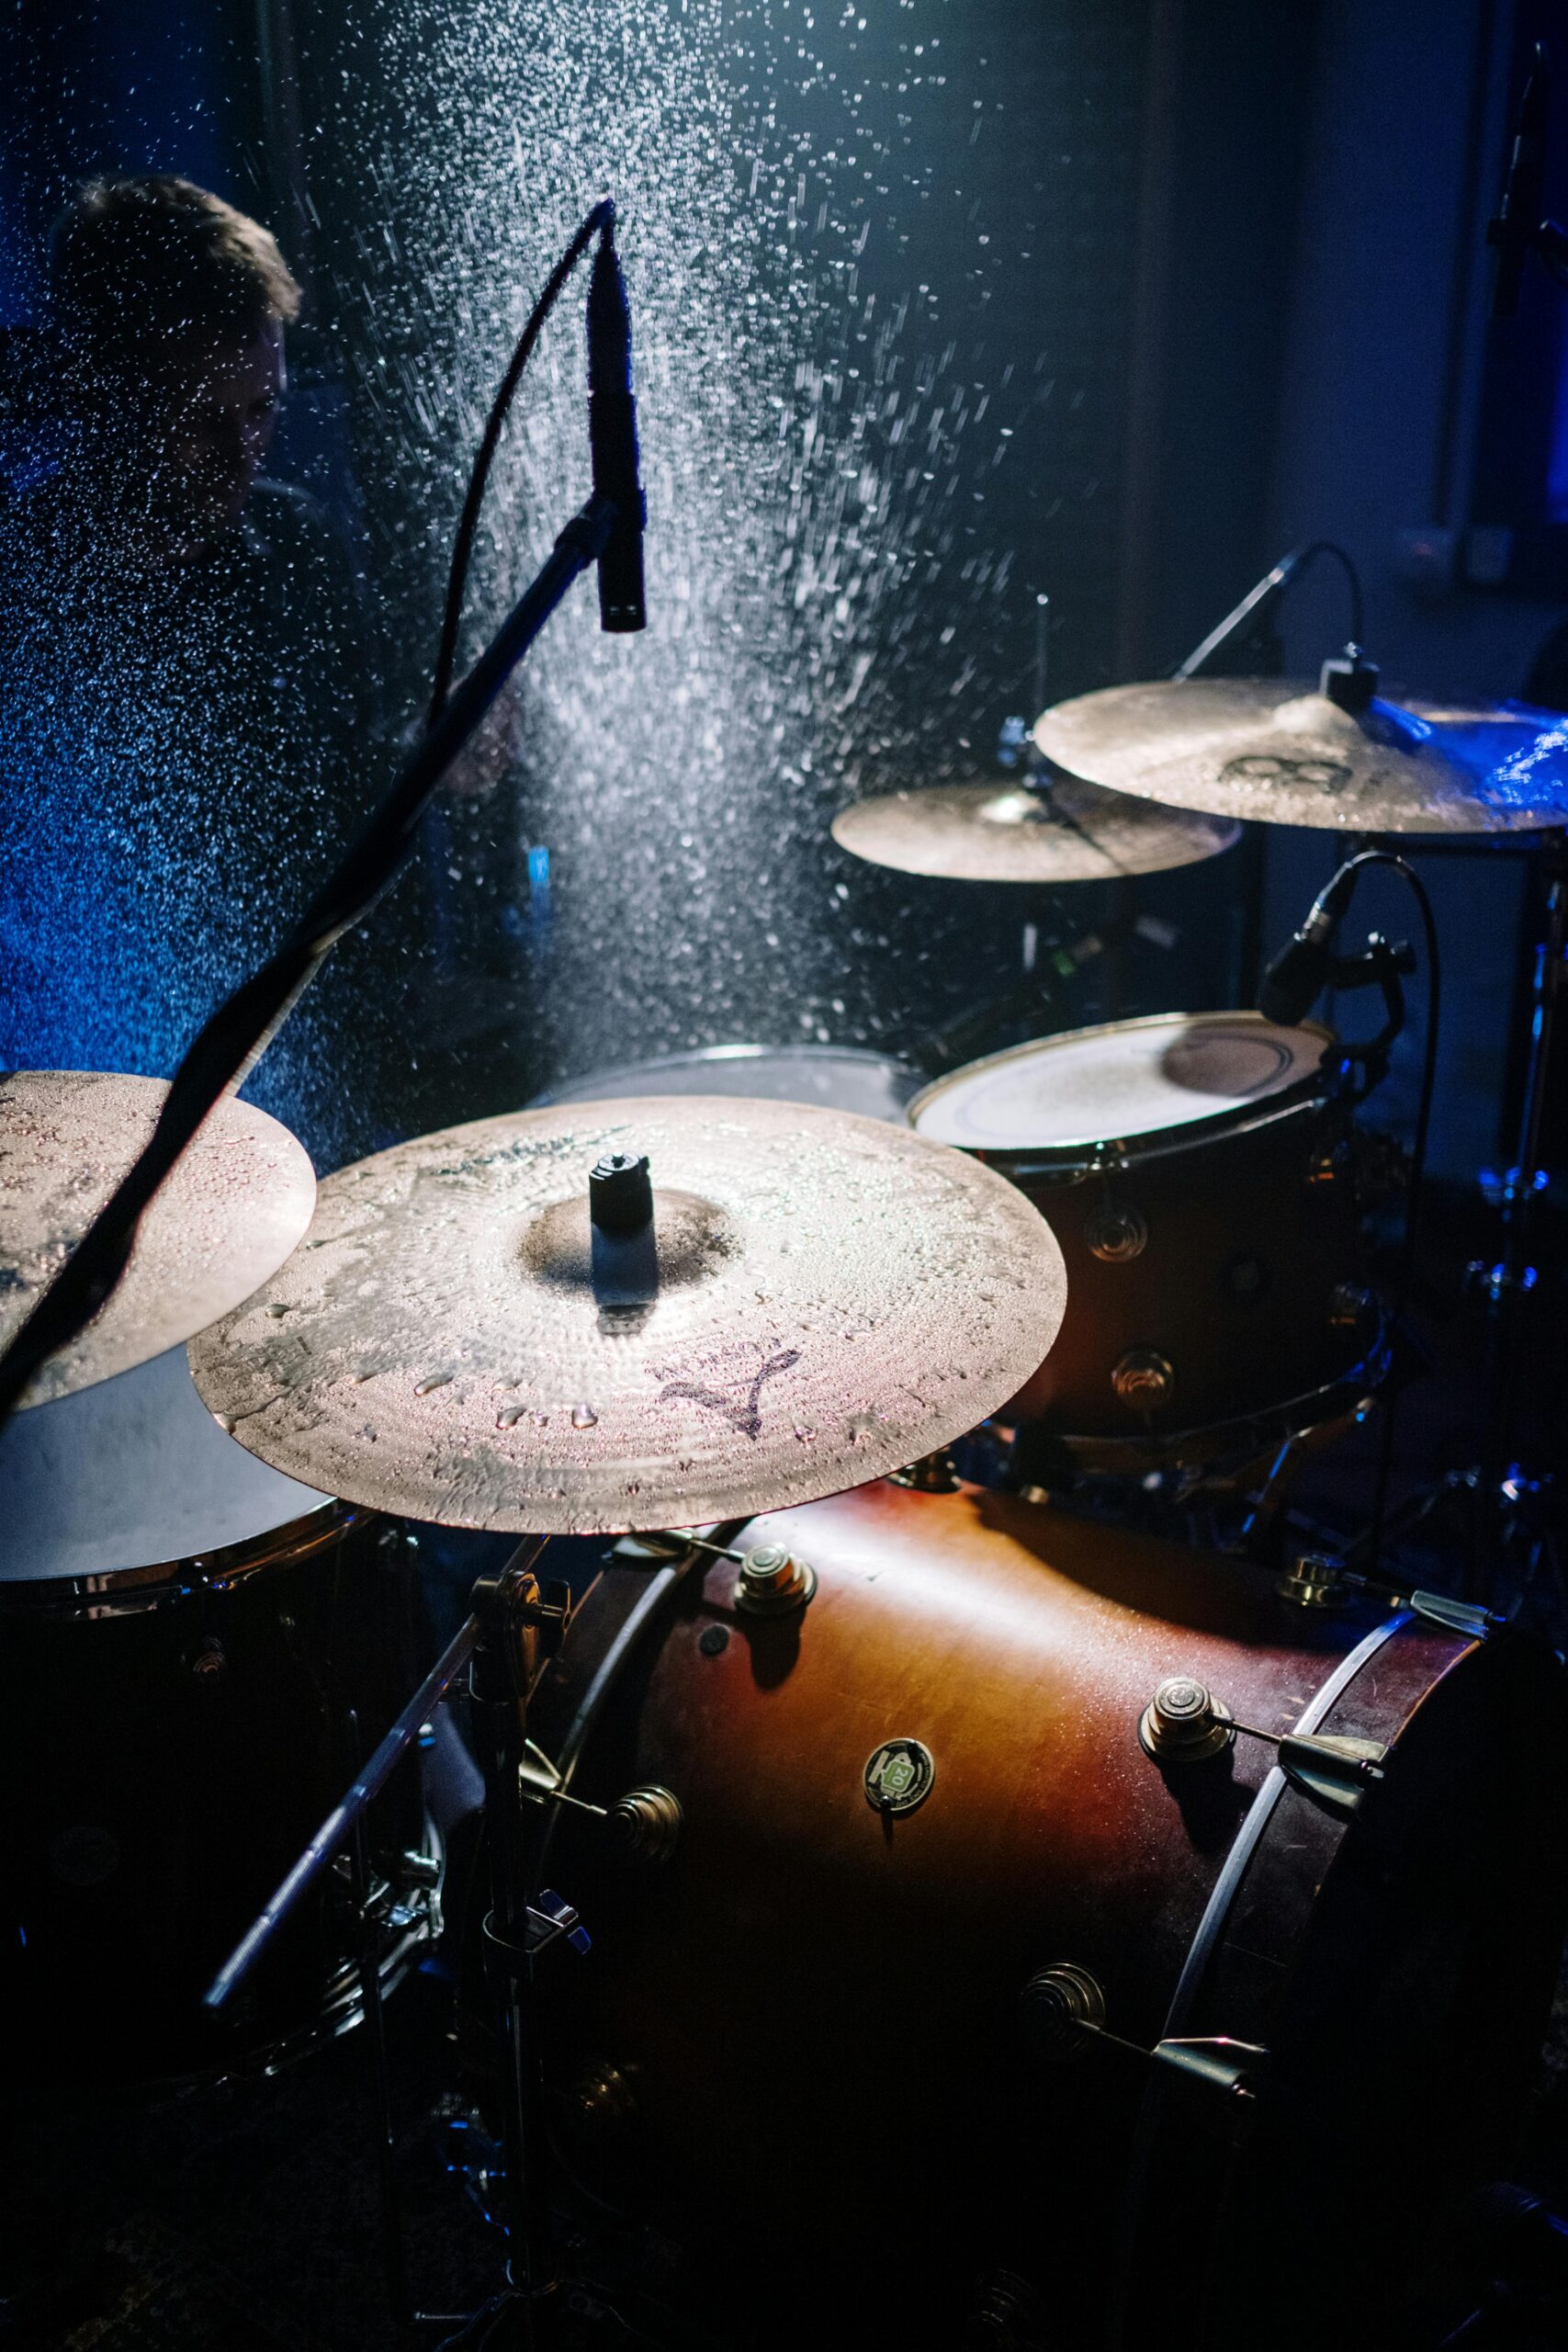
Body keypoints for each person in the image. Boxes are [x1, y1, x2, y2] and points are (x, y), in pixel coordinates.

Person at [0, 174, 395, 1166]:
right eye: (198, 416)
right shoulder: (22, 599)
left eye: (262, 406)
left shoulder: (297, 549)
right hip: (94, 1143)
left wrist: (439, 760)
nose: (243, 452)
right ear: (103, 390)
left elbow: (342, 801)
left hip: (320, 1108)